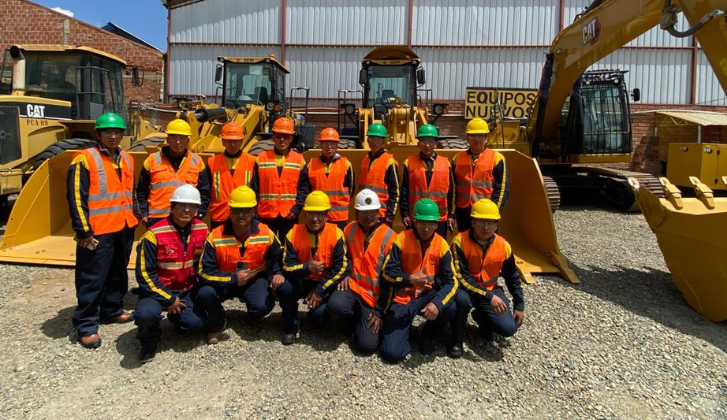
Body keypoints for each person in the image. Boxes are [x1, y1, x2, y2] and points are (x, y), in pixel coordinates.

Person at [66, 112, 138, 349]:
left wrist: (135, 217)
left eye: (117, 132)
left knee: (117, 272)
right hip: (97, 231)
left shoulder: (126, 158)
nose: (113, 136)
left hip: (123, 227)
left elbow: (130, 192)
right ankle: (86, 323)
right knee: (92, 277)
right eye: (108, 132)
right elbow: (77, 196)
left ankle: (112, 309)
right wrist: (83, 230)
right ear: (98, 134)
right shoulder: (85, 159)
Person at [196, 186, 284, 344]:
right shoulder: (215, 235)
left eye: (246, 210)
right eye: (236, 210)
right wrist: (232, 279)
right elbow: (204, 272)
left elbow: (279, 256)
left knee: (262, 306)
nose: (241, 215)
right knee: (205, 293)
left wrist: (277, 273)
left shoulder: (265, 232)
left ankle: (253, 314)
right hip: (225, 281)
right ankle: (218, 322)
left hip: (253, 279)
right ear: (229, 210)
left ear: (253, 212)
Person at [134, 185, 209, 363]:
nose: (187, 209)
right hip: (157, 291)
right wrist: (168, 299)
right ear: (172, 207)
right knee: (145, 314)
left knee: (194, 324)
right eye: (182, 205)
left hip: (186, 289)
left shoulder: (203, 229)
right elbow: (144, 274)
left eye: (191, 206)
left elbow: (205, 263)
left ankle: (177, 317)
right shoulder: (154, 234)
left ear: (197, 209)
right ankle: (148, 342)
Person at [379, 198, 458, 362]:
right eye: (422, 222)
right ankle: (404, 331)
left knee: (449, 306)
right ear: (415, 222)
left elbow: (452, 282)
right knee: (391, 354)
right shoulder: (401, 239)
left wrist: (437, 303)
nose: (426, 228)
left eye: (431, 223)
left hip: (426, 296)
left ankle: (427, 335)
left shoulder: (442, 245)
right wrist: (410, 278)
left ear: (437, 225)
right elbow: (387, 272)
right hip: (402, 299)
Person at [450, 199, 524, 357]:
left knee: (508, 328)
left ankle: (482, 319)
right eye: (481, 222)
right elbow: (461, 277)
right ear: (473, 222)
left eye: (490, 222)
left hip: (490, 291)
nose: (486, 227)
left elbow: (512, 277)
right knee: (461, 301)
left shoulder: (504, 246)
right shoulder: (459, 242)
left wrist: (519, 304)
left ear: (496, 225)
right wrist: (489, 296)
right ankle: (456, 340)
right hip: (465, 291)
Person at [328, 189, 396, 354]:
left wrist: (380, 311)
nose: (367, 216)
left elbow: (392, 280)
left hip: (374, 297)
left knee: (366, 346)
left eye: (372, 212)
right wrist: (345, 274)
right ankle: (353, 319)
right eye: (363, 212)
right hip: (353, 287)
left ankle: (364, 320)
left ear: (379, 212)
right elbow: (344, 257)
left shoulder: (391, 237)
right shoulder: (349, 229)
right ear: (356, 212)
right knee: (336, 305)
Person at [278, 191, 350, 345]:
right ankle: (290, 327)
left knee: (319, 318)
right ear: (305, 214)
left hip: (324, 283)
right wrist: (307, 267)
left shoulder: (336, 234)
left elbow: (341, 267)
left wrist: (319, 290)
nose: (315, 218)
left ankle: (316, 311)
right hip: (301, 280)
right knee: (285, 288)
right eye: (311, 213)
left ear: (326, 214)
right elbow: (286, 266)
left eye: (319, 214)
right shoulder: (293, 233)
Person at [137, 118, 211, 228]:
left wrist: (199, 214)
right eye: (174, 138)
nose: (178, 142)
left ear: (187, 140)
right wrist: (144, 213)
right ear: (167, 139)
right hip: (157, 218)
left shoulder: (197, 162)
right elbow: (141, 191)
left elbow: (205, 192)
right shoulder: (152, 160)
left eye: (182, 138)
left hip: (187, 218)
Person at [251, 117, 305, 240]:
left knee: (288, 248)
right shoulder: (261, 158)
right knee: (266, 248)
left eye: (286, 136)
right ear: (273, 137)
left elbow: (303, 188)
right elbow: (255, 188)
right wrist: (254, 212)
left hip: (289, 215)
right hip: (265, 215)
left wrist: (296, 209)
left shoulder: (299, 160)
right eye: (279, 136)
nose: (282, 139)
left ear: (291, 138)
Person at [452, 117, 509, 232]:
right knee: (465, 243)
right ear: (467, 138)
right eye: (472, 136)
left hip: (485, 213)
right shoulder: (457, 158)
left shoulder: (497, 158)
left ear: (486, 138)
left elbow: (502, 188)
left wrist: (494, 210)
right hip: (463, 211)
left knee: (486, 245)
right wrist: (452, 211)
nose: (476, 139)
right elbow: (453, 187)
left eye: (480, 135)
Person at [400, 124, 455, 239]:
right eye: (424, 141)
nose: (427, 145)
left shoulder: (445, 164)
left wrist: (451, 214)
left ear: (435, 143)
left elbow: (451, 192)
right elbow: (404, 191)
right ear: (418, 143)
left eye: (430, 141)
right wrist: (404, 214)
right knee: (414, 248)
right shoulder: (409, 162)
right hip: (416, 217)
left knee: (437, 249)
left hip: (439, 218)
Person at [297, 127, 354, 230]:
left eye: (332, 143)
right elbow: (306, 188)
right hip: (318, 215)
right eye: (325, 143)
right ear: (320, 145)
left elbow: (351, 189)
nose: (329, 146)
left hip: (339, 217)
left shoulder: (346, 164)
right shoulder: (311, 164)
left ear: (337, 145)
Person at [206, 121, 256, 230]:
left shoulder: (252, 162)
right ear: (223, 141)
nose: (232, 145)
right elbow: (205, 192)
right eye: (229, 141)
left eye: (236, 141)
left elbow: (256, 190)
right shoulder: (212, 162)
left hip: (243, 216)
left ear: (241, 141)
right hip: (219, 216)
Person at [358, 123, 399, 226]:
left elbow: (395, 191)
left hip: (381, 214)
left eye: (378, 139)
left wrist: (390, 215)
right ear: (367, 140)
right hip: (364, 212)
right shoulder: (365, 161)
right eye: (371, 139)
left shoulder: (389, 162)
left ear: (383, 142)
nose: (374, 142)